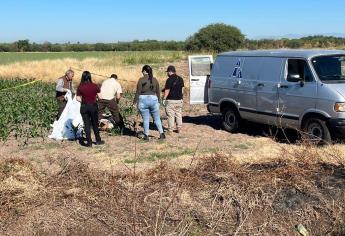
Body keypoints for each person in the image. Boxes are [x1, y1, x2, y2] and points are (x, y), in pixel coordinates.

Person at [133, 65, 165, 141]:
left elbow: (138, 92)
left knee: (145, 119)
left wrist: (134, 102)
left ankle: (146, 135)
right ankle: (161, 133)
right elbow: (158, 92)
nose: (142, 73)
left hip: (143, 99)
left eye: (142, 71)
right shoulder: (155, 80)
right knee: (157, 118)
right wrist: (159, 101)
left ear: (144, 71)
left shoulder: (141, 80)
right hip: (153, 99)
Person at [76, 71, 104, 147]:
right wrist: (96, 99)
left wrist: (84, 101)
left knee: (86, 125)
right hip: (93, 106)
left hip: (84, 107)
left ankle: (89, 143)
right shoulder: (95, 86)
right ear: (89, 77)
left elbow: (77, 98)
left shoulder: (80, 86)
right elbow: (100, 97)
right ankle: (98, 140)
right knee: (95, 124)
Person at [162, 65, 184, 134]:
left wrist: (164, 98)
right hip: (179, 100)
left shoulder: (169, 80)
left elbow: (167, 90)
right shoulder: (180, 79)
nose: (167, 73)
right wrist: (181, 98)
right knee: (178, 114)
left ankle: (170, 130)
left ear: (170, 71)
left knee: (170, 115)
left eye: (167, 72)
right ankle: (179, 129)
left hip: (171, 100)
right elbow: (182, 90)